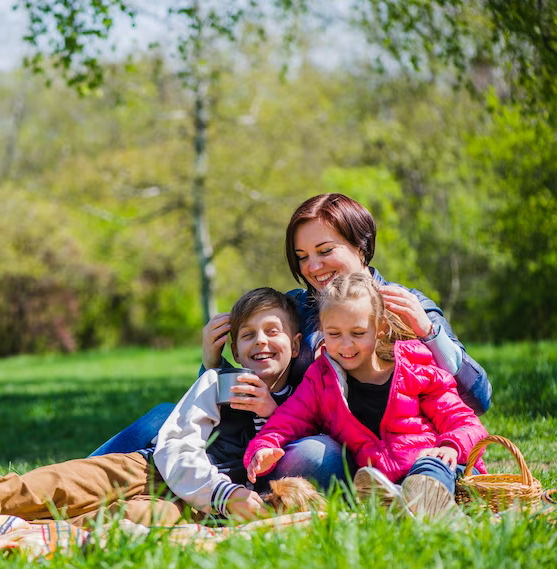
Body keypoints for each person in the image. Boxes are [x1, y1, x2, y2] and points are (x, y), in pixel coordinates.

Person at [0, 287, 309, 531]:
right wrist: (222, 494)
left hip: (199, 506)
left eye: (271, 332)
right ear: (234, 343)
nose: (260, 343)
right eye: (247, 335)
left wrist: (273, 417)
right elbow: (178, 442)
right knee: (24, 489)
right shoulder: (219, 383)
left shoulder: (310, 393)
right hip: (149, 469)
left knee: (124, 523)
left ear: (293, 339)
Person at [90, 193, 492, 487]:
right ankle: (78, 480)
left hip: (354, 453)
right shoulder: (296, 307)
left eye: (324, 250)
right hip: (274, 440)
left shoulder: (404, 307)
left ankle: (150, 485)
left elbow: (478, 400)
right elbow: (246, 384)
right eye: (301, 257)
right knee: (164, 416)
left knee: (321, 454)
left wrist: (430, 333)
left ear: (361, 246)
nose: (313, 267)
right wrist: (213, 366)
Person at [244, 272, 488, 520]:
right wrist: (264, 447)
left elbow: (465, 422)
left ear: (380, 328)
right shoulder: (321, 380)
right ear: (322, 331)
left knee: (428, 468)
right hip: (382, 482)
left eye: (358, 333)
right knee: (369, 482)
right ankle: (401, 508)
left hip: (444, 471)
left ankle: (427, 505)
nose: (346, 345)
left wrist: (450, 447)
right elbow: (288, 419)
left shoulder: (415, 367)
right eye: (334, 334)